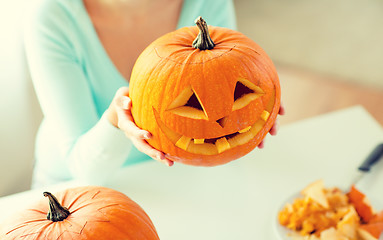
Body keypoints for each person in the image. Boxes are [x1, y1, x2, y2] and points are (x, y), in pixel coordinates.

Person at [24, 0, 284, 189]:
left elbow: (227, 82)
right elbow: (85, 170)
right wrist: (116, 122)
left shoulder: (208, 3)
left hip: (180, 176)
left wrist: (253, 102)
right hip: (76, 185)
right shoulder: (52, 18)